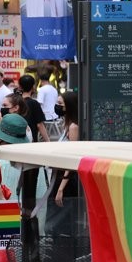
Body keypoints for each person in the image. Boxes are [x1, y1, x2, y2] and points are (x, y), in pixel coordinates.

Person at [46, 91, 80, 236]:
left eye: (60, 104)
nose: (57, 106)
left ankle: (63, 251)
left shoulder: (73, 127)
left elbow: (73, 158)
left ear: (70, 106)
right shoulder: (66, 125)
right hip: (59, 176)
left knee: (62, 221)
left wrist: (61, 187)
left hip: (66, 180)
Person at [17, 75, 50, 143]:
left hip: (15, 139)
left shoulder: (15, 101)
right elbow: (40, 125)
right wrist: (47, 140)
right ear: (33, 87)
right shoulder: (34, 103)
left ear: (20, 87)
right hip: (30, 140)